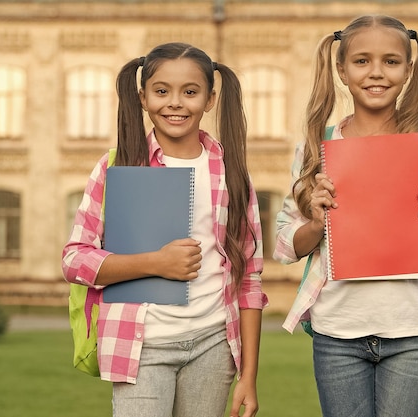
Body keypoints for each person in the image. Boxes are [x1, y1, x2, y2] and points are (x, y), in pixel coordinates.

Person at [274, 15, 418, 417]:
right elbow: (286, 243)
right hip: (337, 331)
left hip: (409, 330)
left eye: (390, 61)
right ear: (341, 70)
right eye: (362, 61)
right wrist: (316, 224)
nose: (376, 73)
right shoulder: (317, 150)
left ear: (408, 70)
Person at [62, 42, 267, 417]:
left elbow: (250, 279)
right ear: (142, 97)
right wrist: (156, 263)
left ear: (209, 99)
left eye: (190, 92)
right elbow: (75, 260)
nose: (175, 103)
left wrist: (248, 376)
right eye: (161, 91)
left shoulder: (232, 173)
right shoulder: (117, 168)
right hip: (142, 347)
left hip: (213, 344)